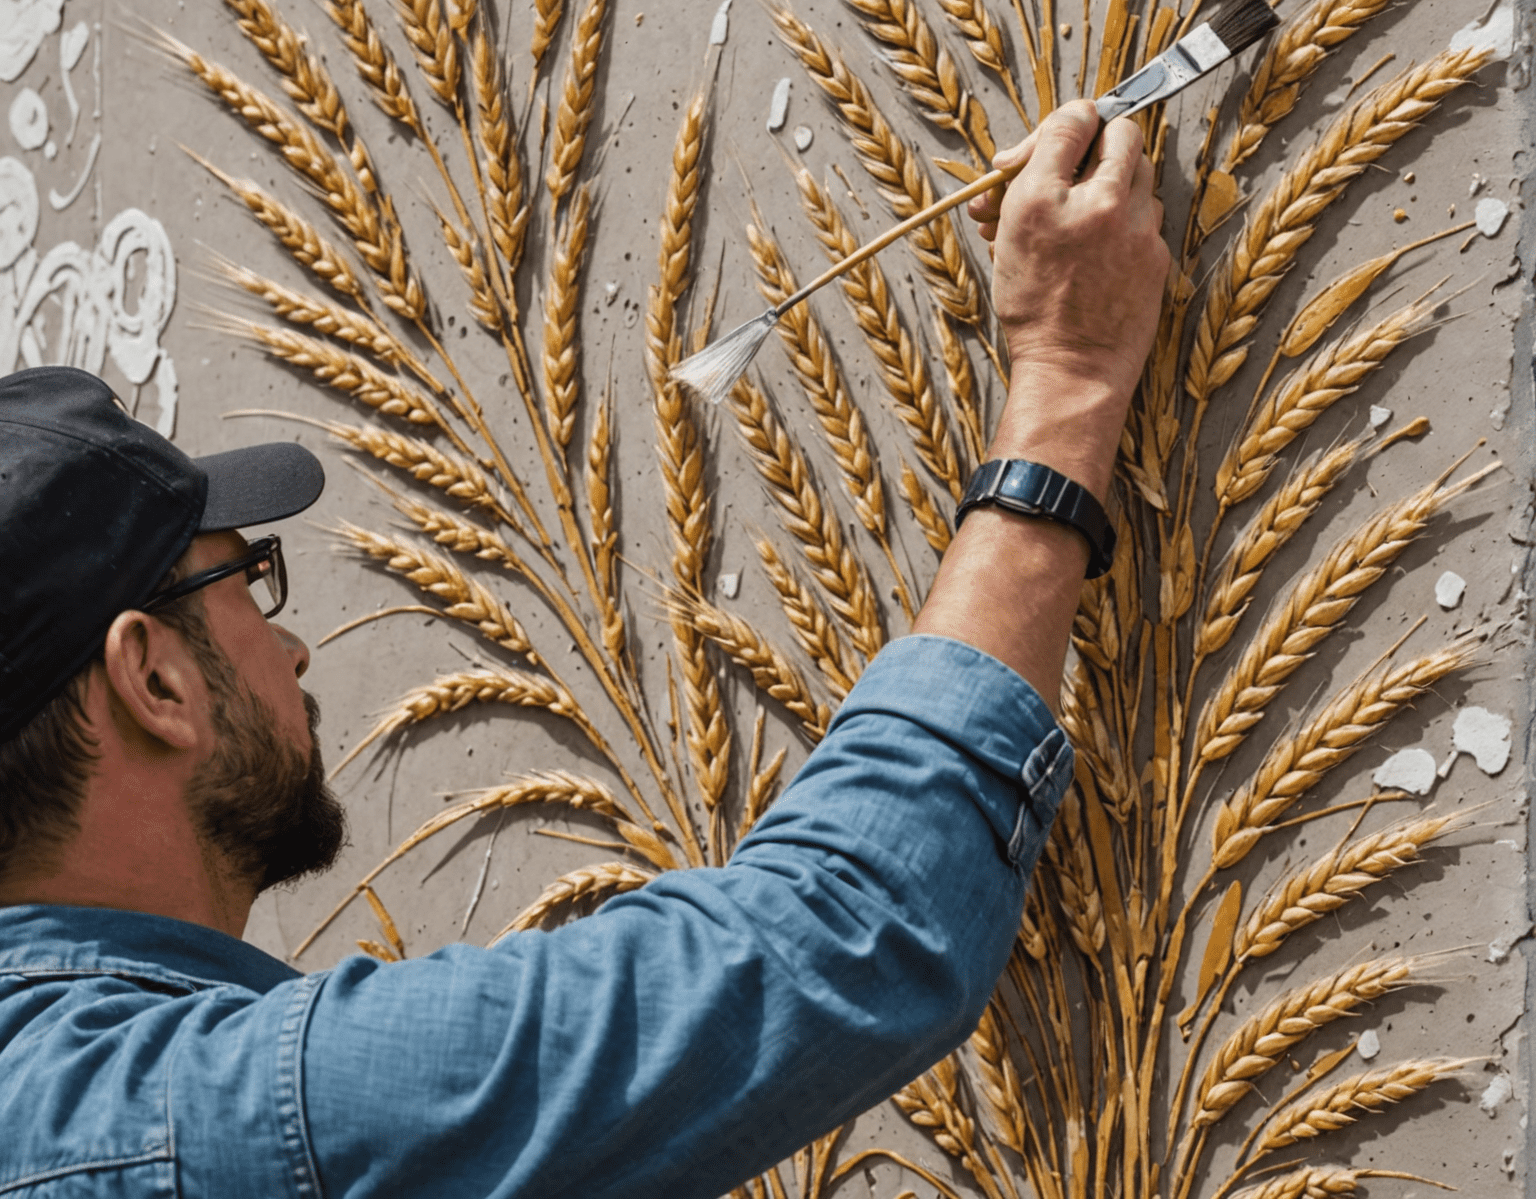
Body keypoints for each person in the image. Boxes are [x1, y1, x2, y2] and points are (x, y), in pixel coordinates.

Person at [0, 101, 1167, 1197]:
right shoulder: (204, 1120)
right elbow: (845, 931)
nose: (294, 649)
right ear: (154, 678)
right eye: (249, 581)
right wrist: (1064, 390)